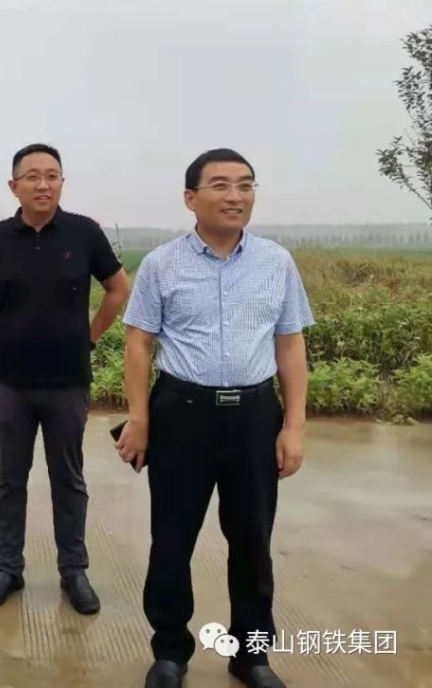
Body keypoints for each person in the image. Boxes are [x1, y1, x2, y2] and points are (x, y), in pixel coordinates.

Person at [118, 148, 313, 688]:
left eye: (245, 185)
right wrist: (139, 419)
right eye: (221, 185)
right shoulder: (162, 264)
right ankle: (170, 652)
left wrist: (293, 426)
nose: (235, 196)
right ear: (191, 198)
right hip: (182, 414)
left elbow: (290, 345)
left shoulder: (276, 262)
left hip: (254, 416)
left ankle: (251, 655)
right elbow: (138, 344)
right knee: (171, 538)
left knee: (252, 540)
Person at [0, 143, 131, 613]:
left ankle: (73, 570)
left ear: (61, 182)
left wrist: (89, 338)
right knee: (8, 480)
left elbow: (118, 288)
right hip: (10, 383)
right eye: (33, 176)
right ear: (13, 186)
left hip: (67, 381)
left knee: (69, 479)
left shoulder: (83, 233)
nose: (43, 185)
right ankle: (7, 568)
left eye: (52, 176)